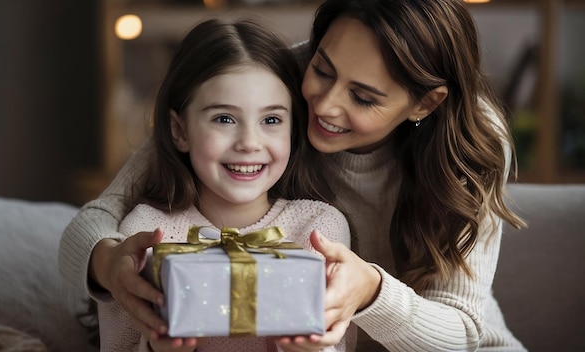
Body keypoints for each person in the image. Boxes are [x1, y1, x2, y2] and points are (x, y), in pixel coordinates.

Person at [59, 0, 528, 351]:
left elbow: (464, 332)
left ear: (426, 103)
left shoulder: (474, 142)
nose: (323, 105)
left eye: (363, 98)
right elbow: (101, 215)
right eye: (322, 69)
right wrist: (109, 266)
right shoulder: (269, 83)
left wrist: (371, 291)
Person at [90, 17, 352, 352]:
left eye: (271, 120)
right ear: (179, 130)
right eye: (224, 119)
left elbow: (340, 342)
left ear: (293, 129)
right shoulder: (146, 233)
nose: (249, 142)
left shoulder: (319, 229)